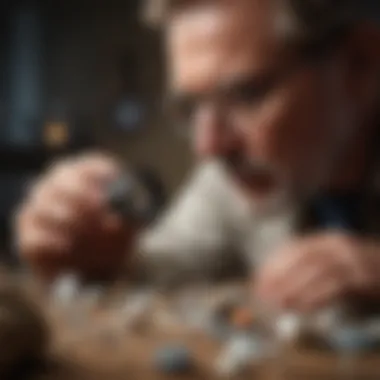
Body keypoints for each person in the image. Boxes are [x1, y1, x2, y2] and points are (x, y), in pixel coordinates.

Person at [14, 0, 380, 313]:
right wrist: (91, 254)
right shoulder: (234, 182)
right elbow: (161, 269)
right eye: (190, 107)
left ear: (360, 65)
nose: (209, 148)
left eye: (247, 94)